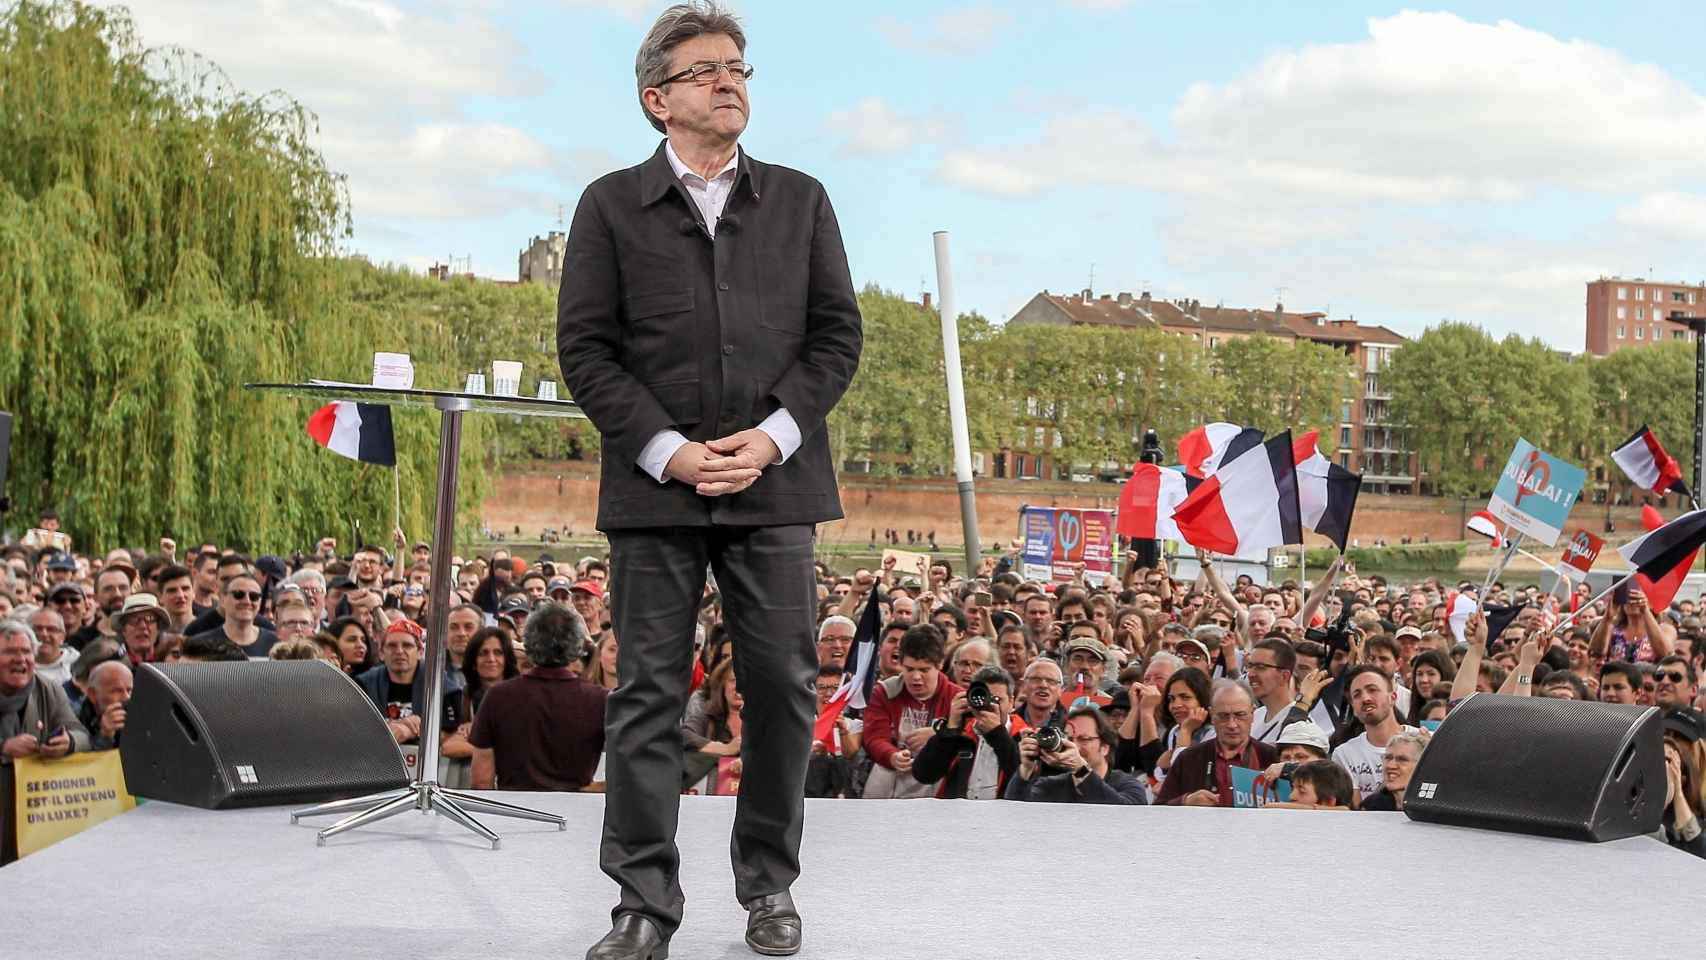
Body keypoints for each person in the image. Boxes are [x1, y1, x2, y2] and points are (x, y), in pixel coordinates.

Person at [470, 604, 608, 791]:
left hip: (512, 813)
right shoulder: (600, 699)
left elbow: (481, 780)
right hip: (576, 812)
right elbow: (627, 770)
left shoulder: (498, 696)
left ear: (529, 643)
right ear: (576, 647)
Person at [1, 619, 90, 864]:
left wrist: (68, 742)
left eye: (26, 652)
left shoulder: (48, 689)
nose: (20, 659)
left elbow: (82, 736)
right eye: (9, 652)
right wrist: (4, 748)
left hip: (33, 820)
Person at [862, 625, 959, 799]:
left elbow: (968, 737)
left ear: (940, 665)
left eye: (924, 670)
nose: (916, 677)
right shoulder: (884, 692)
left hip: (937, 781)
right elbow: (874, 737)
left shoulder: (956, 698)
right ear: (900, 663)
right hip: (890, 778)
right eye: (909, 669)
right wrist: (892, 756)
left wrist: (938, 734)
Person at [1155, 681, 1277, 806]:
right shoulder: (1189, 758)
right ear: (1212, 715)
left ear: (1252, 714)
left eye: (1240, 715)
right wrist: (1186, 801)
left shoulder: (1270, 757)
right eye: (1223, 716)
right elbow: (1158, 810)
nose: (1232, 725)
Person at [912, 665, 1024, 800]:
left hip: (1002, 817)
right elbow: (923, 775)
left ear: (1012, 702)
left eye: (997, 700)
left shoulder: (1023, 736)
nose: (988, 705)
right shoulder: (961, 734)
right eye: (983, 697)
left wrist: (997, 734)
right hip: (959, 816)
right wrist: (950, 729)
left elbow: (1024, 780)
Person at [1005, 705, 1146, 804]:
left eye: (1084, 739)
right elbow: (1014, 814)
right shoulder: (1052, 786)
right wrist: (1026, 769)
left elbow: (1122, 814)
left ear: (1104, 747)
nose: (1074, 746)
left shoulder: (1129, 785)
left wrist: (1081, 770)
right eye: (1069, 739)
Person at [356, 619, 464, 746]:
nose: (399, 651)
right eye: (392, 646)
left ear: (420, 652)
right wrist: (389, 728)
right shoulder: (363, 685)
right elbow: (354, 728)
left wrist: (416, 730)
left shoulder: (441, 687)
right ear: (381, 653)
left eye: (407, 645)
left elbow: (455, 732)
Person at [1331, 665, 1421, 802]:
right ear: (1353, 707)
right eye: (1357, 695)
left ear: (1393, 697)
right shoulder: (1343, 754)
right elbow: (1354, 811)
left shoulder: (1425, 741)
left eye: (1372, 690)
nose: (1365, 698)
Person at [188, 575, 277, 659]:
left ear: (260, 603)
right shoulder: (200, 644)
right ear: (223, 599)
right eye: (238, 595)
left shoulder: (275, 643)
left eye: (254, 596)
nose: (247, 601)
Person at [1360, 729, 1430, 811]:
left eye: (1402, 759)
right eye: (1388, 758)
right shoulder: (1371, 806)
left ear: (1423, 766)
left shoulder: (1436, 807)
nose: (1390, 765)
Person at [80, 659, 134, 751]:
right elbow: (88, 762)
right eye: (117, 691)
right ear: (92, 694)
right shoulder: (76, 721)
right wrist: (105, 735)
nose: (127, 697)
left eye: (129, 690)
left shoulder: (141, 714)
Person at [27, 607, 77, 686]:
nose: (44, 634)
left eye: (51, 629)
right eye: (38, 629)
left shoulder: (78, 664)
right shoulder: (20, 665)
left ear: (62, 637)